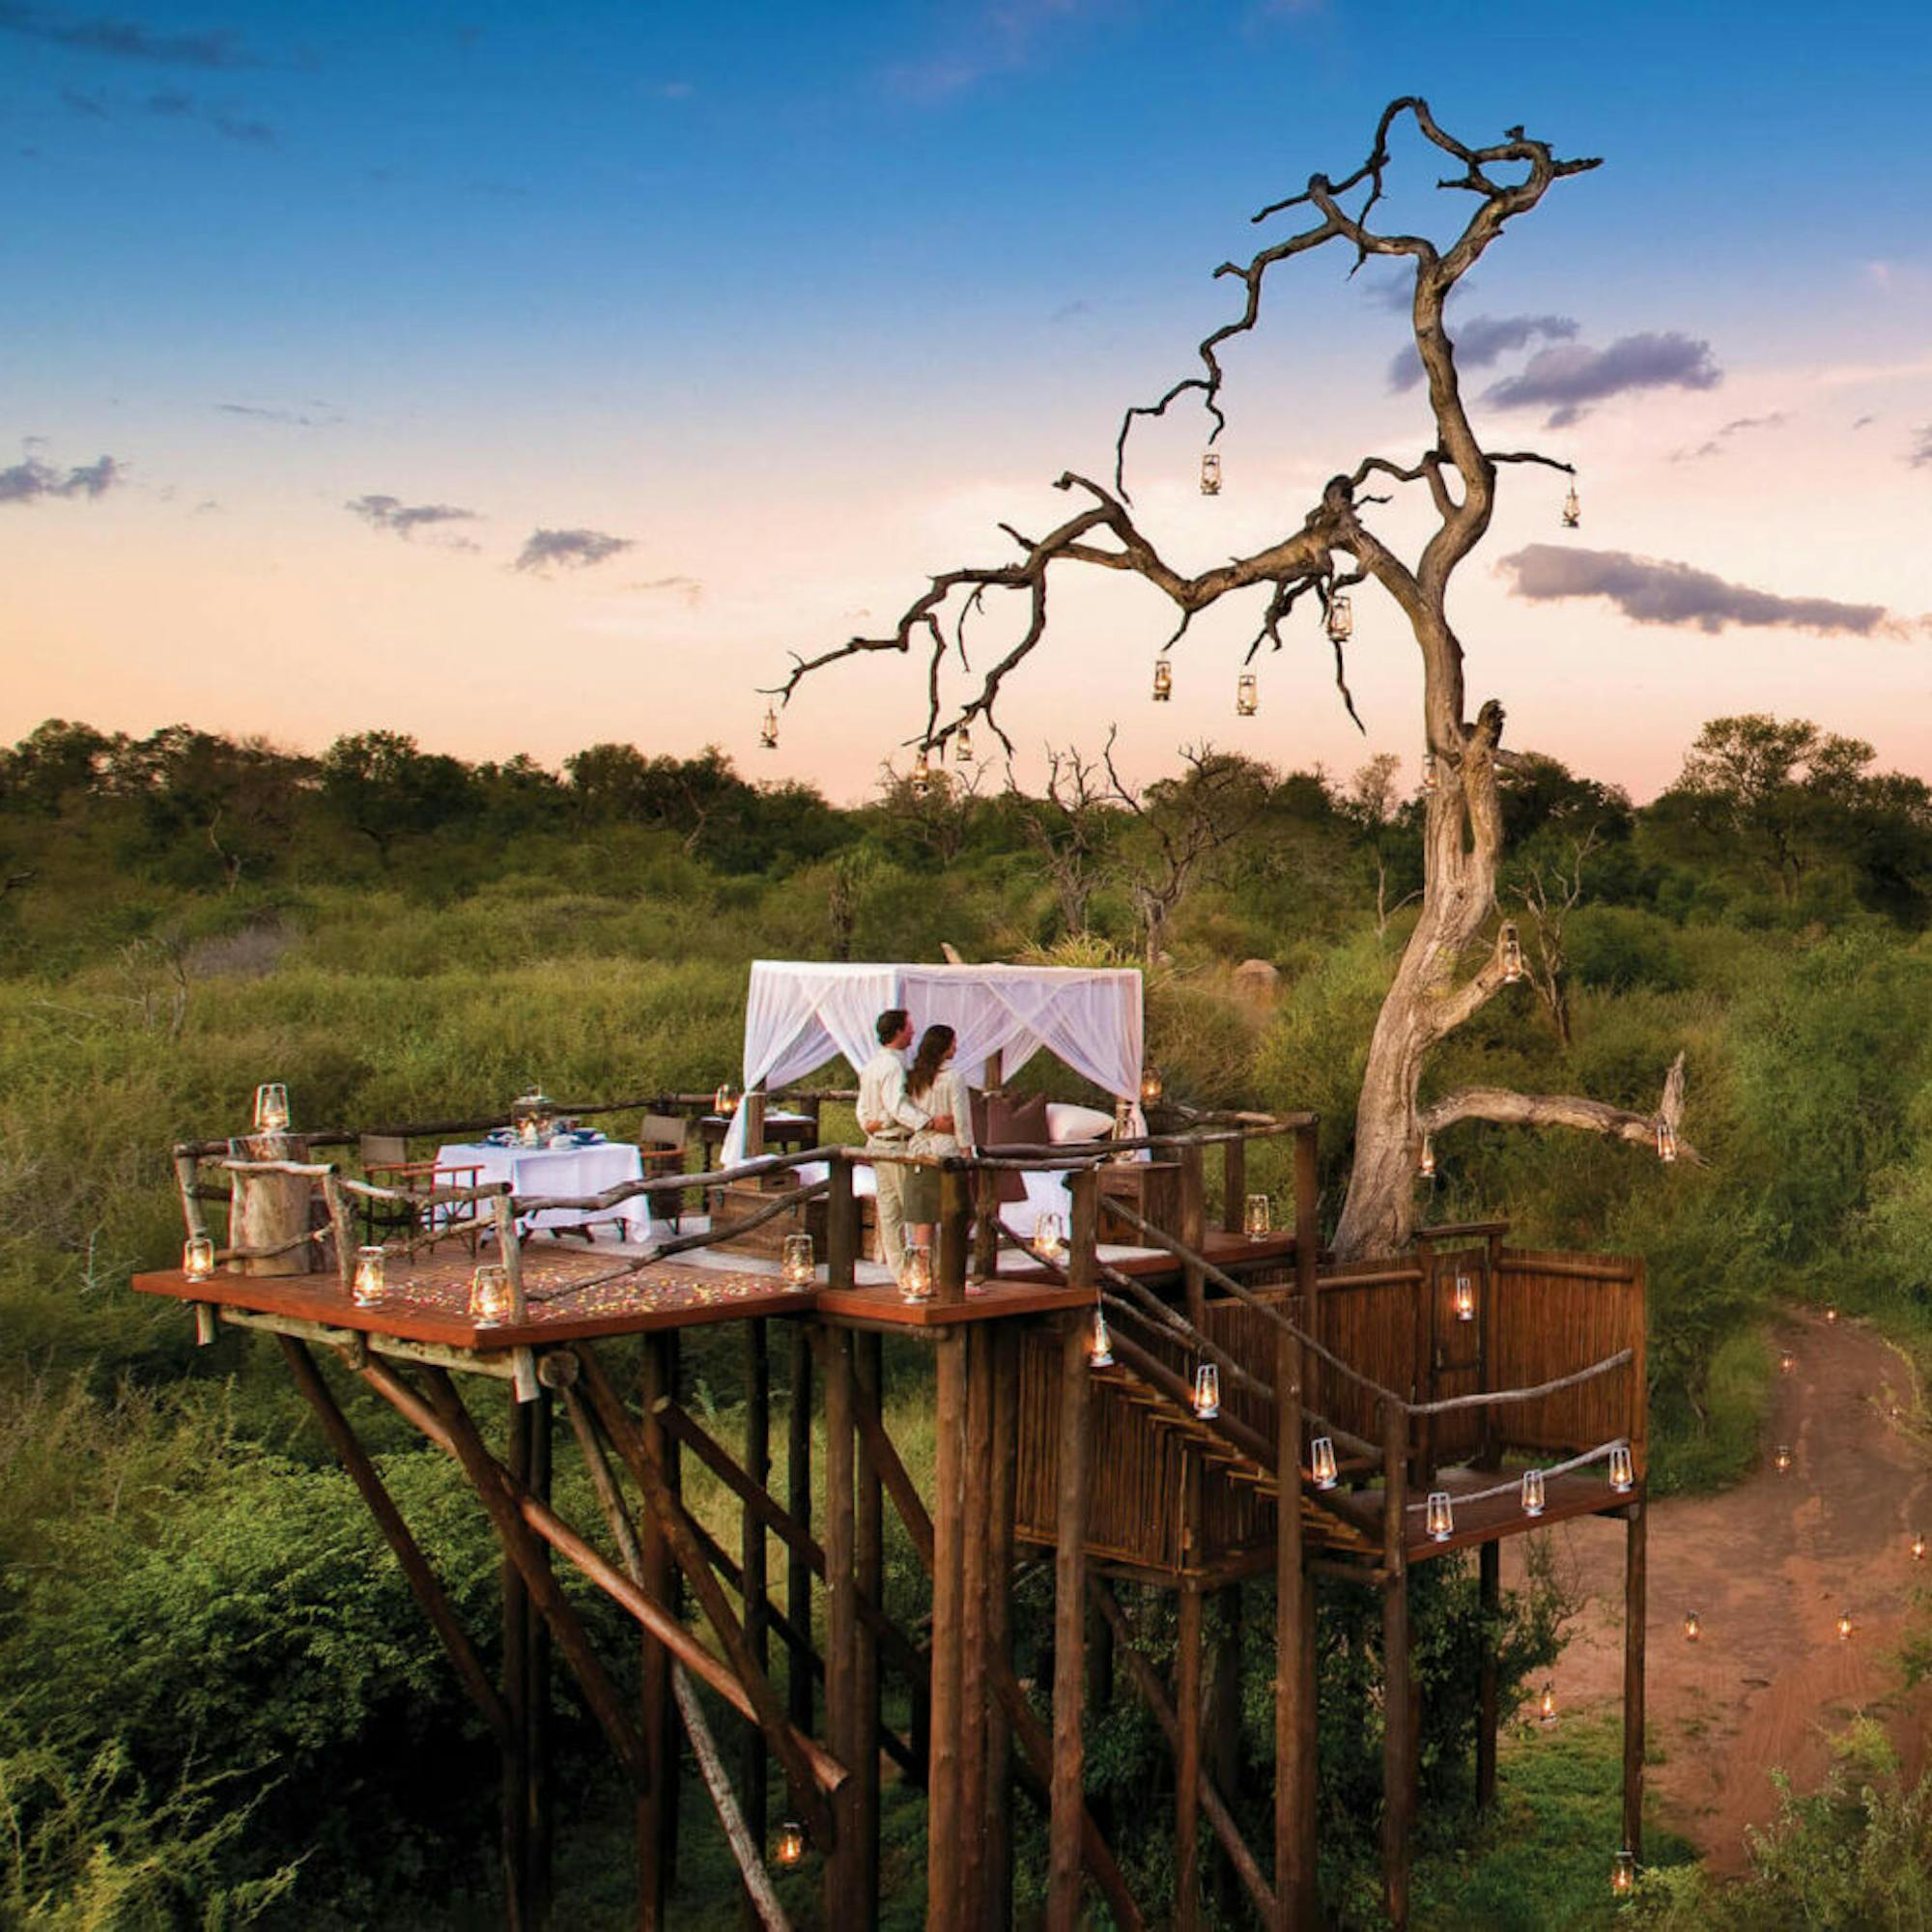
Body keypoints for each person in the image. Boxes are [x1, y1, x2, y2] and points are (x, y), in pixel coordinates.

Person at [857, 1008, 952, 1275]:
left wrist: (869, 1125)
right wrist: (930, 1122)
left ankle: (902, 1275)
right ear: (898, 1031)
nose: (913, 1032)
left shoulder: (873, 1064)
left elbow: (863, 1109)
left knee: (890, 1215)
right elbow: (897, 1106)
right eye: (909, 1027)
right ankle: (925, 1273)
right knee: (915, 1211)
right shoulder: (893, 1066)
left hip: (877, 1144)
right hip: (895, 1145)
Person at [900, 1024, 974, 1266]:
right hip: (945, 1151)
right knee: (957, 1214)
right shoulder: (953, 1077)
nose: (957, 1047)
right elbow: (961, 1118)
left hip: (919, 1150)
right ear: (944, 1047)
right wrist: (966, 1150)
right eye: (953, 1042)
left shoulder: (916, 1077)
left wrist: (926, 1124)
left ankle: (921, 1273)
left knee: (924, 1220)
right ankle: (947, 1271)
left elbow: (907, 1113)